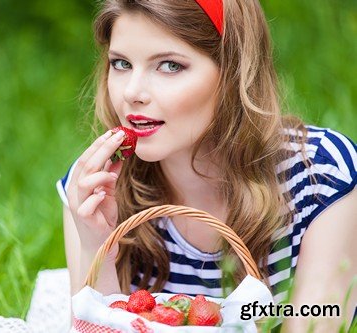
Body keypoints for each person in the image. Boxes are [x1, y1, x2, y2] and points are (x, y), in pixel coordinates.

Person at [56, 0, 356, 331]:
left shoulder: (321, 176)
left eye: (169, 65)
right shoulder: (92, 190)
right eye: (121, 63)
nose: (132, 92)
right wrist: (98, 247)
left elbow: (318, 322)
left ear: (233, 72)